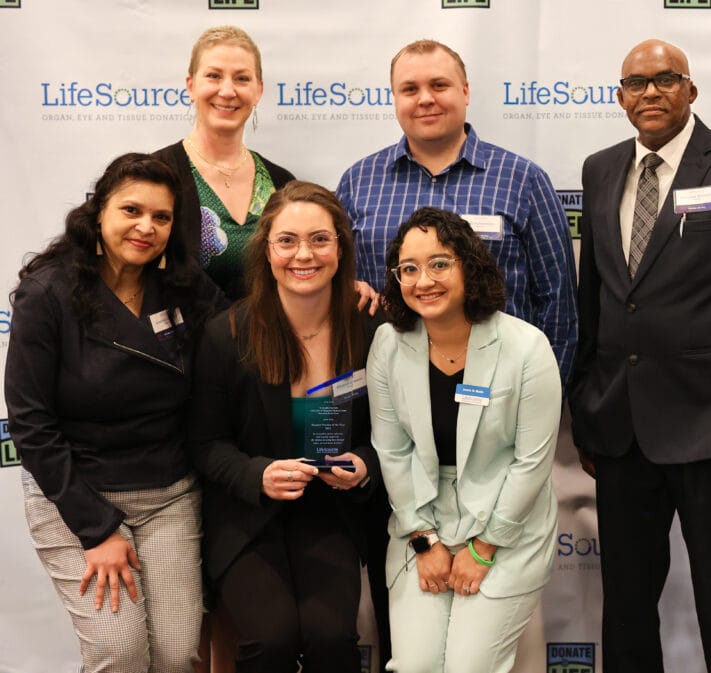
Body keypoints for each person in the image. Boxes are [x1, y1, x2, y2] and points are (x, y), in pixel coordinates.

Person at [570, 39, 711, 673]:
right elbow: (595, 298)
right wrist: (587, 406)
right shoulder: (598, 169)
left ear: (691, 90)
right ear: (619, 98)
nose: (650, 92)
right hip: (621, 429)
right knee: (625, 606)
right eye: (636, 83)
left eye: (665, 79)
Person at [6, 153, 221, 672]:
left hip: (169, 494)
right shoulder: (47, 294)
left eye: (162, 217)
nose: (146, 227)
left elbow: (247, 332)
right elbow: (32, 426)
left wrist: (334, 295)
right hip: (78, 495)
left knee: (176, 656)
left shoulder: (180, 287)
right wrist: (97, 531)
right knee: (119, 653)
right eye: (131, 210)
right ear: (99, 210)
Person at [187, 181, 380, 672]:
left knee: (332, 640)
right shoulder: (227, 334)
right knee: (269, 642)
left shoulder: (371, 330)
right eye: (287, 240)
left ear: (340, 247)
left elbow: (395, 436)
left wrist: (363, 465)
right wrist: (258, 475)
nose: (304, 255)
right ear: (267, 249)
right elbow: (206, 444)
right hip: (248, 519)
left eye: (319, 239)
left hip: (330, 515)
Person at [367, 207, 561, 673]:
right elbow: (392, 451)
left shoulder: (525, 347)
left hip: (505, 527)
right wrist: (422, 540)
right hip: (423, 520)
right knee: (414, 666)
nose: (423, 280)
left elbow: (531, 463)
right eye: (408, 269)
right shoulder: (388, 344)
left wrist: (484, 547)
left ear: (468, 267)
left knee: (468, 667)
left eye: (439, 264)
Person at [337, 39, 577, 385]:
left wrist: (545, 395)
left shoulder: (523, 180)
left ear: (464, 91)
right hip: (390, 389)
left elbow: (558, 305)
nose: (425, 99)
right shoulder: (359, 182)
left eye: (439, 85)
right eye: (409, 89)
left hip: (501, 388)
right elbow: (340, 286)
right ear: (394, 98)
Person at [152, 26, 296, 301]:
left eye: (242, 79)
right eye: (213, 76)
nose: (227, 90)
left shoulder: (281, 183)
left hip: (269, 341)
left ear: (258, 90)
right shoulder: (157, 173)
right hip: (179, 342)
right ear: (191, 85)